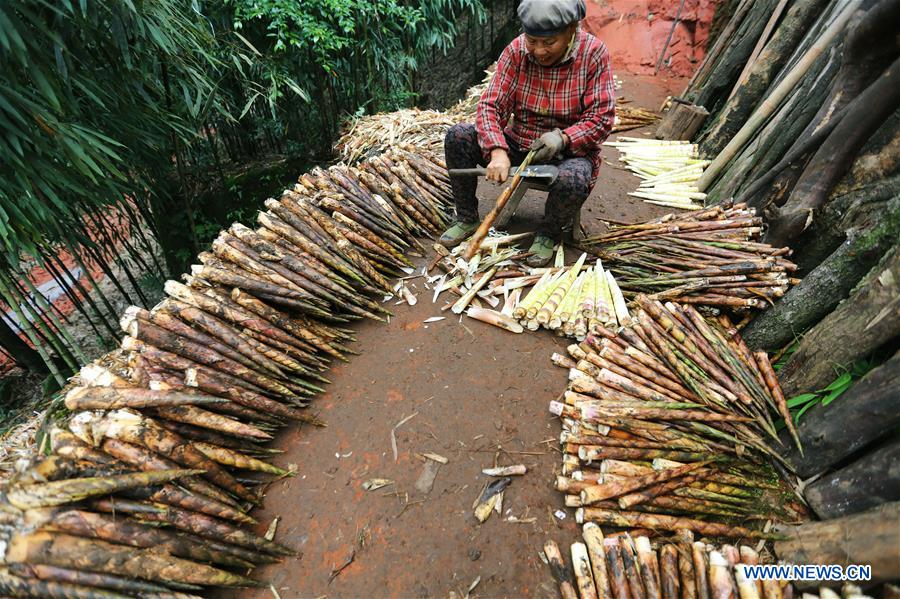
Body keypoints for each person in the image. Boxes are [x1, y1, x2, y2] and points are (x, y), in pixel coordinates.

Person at [439, 0, 616, 267]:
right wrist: (497, 150)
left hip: (566, 154)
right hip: (519, 142)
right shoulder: (517, 50)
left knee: (575, 178)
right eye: (533, 41)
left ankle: (548, 234)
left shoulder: (593, 53)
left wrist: (564, 138)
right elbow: (490, 105)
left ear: (571, 29)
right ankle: (466, 218)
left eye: (549, 42)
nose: (539, 51)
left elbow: (602, 118)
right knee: (458, 136)